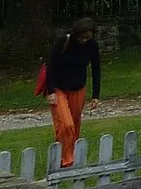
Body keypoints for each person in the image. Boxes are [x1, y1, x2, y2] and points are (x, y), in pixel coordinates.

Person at [41, 16, 101, 165]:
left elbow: (96, 69)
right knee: (66, 124)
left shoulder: (93, 45)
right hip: (58, 88)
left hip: (78, 89)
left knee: (74, 125)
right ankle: (65, 159)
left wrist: (95, 96)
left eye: (88, 37)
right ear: (76, 33)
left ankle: (68, 154)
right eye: (82, 37)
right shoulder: (64, 41)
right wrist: (50, 91)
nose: (84, 40)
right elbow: (50, 65)